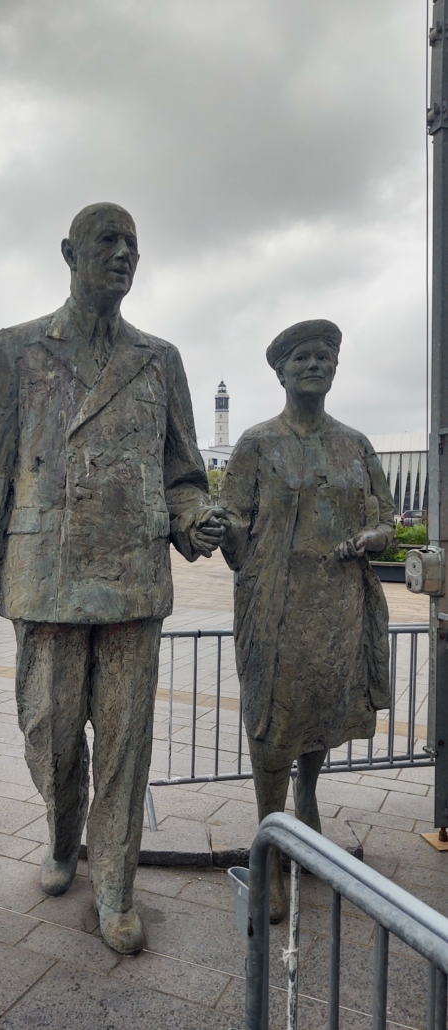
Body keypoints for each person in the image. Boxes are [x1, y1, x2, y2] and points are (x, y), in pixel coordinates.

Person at [0, 202, 226, 954]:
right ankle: (60, 833)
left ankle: (114, 884)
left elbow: (183, 472)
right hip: (45, 573)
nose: (123, 254)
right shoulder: (16, 350)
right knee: (49, 733)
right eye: (108, 240)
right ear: (69, 252)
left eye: (133, 243)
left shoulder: (158, 358)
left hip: (131, 575)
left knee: (125, 742)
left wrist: (194, 514)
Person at [220, 319, 395, 922]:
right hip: (276, 605)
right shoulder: (257, 443)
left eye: (324, 357)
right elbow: (233, 521)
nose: (314, 366)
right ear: (281, 371)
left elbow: (388, 516)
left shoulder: (356, 444)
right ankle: (269, 847)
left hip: (338, 606)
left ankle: (310, 802)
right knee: (273, 719)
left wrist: (375, 534)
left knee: (323, 710)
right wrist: (228, 532)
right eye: (302, 358)